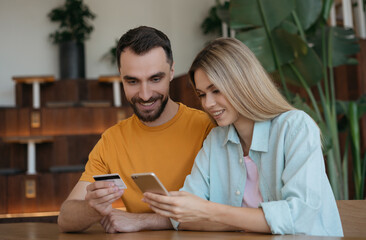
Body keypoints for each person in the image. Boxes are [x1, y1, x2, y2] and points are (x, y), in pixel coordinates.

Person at [143, 38, 344, 236]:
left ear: (242, 83)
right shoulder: (216, 140)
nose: (208, 104)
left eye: (216, 90)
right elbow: (184, 219)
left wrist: (208, 211)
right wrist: (242, 221)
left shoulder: (295, 127)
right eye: (202, 94)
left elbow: (298, 218)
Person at [57, 26, 214, 233]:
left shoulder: (208, 128)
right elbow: (65, 219)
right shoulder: (112, 140)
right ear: (120, 77)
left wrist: (141, 220)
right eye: (132, 81)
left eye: (155, 79)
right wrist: (93, 207)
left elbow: (226, 210)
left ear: (172, 72)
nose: (145, 94)